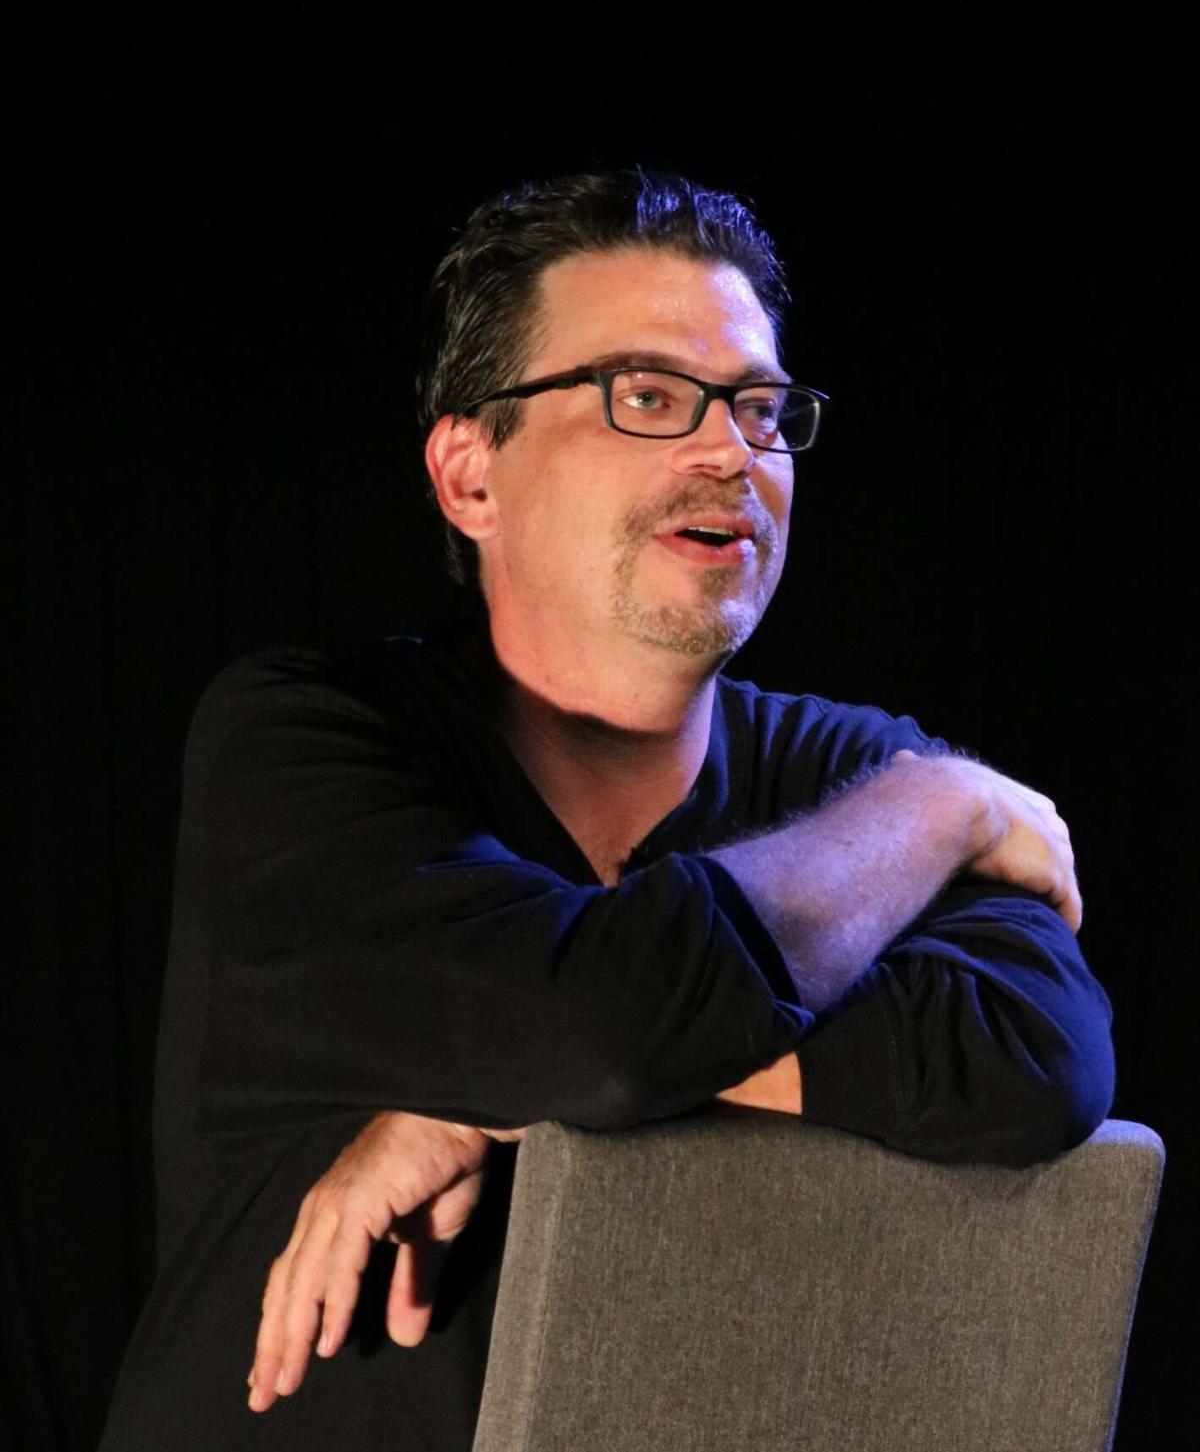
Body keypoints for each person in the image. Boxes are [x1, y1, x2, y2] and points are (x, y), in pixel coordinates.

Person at [99, 168, 1114, 1451]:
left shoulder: (867, 778)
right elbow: (597, 1030)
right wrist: (950, 805)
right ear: (472, 476)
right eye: (645, 395)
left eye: (759, 406)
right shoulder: (303, 742)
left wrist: (501, 1082)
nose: (727, 449)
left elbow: (1039, 1060)